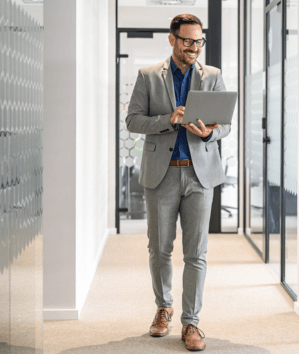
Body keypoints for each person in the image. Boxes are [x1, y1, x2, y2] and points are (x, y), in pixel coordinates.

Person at [126, 13, 230, 352]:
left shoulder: (213, 76)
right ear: (172, 40)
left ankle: (191, 323)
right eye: (188, 42)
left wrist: (211, 132)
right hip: (162, 173)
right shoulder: (148, 76)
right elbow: (133, 121)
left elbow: (225, 124)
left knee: (196, 252)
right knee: (159, 248)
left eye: (199, 41)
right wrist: (166, 120)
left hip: (200, 175)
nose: (195, 48)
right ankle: (163, 306)